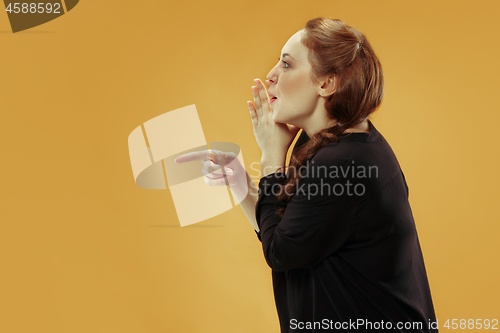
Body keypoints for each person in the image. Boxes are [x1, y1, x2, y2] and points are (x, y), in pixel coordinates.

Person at [175, 17, 438, 333]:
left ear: (326, 84)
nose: (270, 75)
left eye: (286, 65)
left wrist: (272, 157)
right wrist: (240, 181)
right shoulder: (333, 142)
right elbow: (291, 231)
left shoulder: (343, 163)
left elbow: (281, 251)